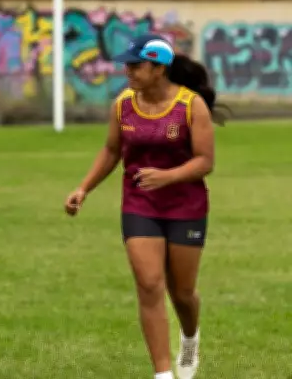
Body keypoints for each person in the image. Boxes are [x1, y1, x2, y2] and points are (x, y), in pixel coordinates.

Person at [64, 33, 227, 379]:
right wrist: (84, 188)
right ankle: (163, 373)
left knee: (181, 292)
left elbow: (205, 161)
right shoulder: (123, 103)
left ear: (158, 68)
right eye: (127, 65)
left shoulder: (190, 105)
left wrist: (167, 177)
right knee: (149, 284)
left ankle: (189, 339)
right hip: (140, 205)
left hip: (186, 207)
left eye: (136, 66)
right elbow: (111, 151)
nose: (128, 71)